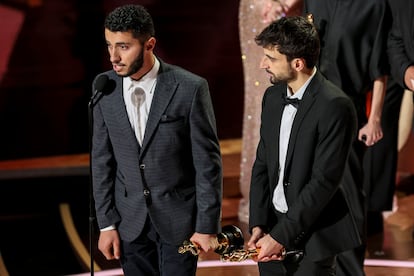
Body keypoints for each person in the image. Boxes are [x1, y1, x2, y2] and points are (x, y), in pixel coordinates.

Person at [91, 4, 223, 276]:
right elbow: (102, 162)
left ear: (150, 44)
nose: (113, 57)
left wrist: (206, 225)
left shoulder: (190, 88)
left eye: (124, 47)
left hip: (180, 222)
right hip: (130, 222)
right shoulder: (105, 89)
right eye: (109, 45)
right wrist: (107, 225)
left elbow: (207, 164)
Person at [247, 16, 360, 276]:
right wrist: (258, 224)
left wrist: (280, 236)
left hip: (313, 235)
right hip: (271, 230)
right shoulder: (272, 97)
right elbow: (262, 164)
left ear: (297, 63)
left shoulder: (335, 105)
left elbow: (324, 182)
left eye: (271, 59)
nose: (263, 64)